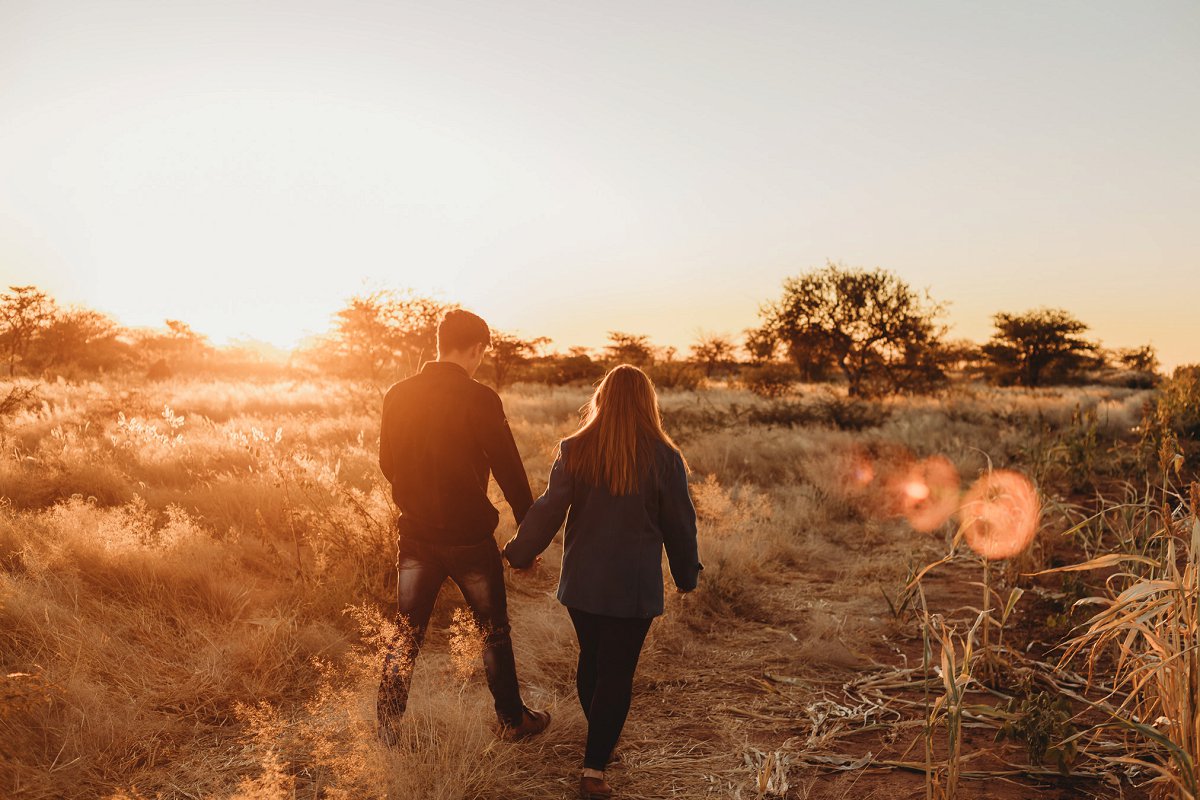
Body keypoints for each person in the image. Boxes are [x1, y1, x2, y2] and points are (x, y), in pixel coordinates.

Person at [503, 364, 702, 799]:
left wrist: (519, 552)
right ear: (648, 404)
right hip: (631, 586)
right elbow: (679, 525)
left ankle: (601, 741)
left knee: (593, 661)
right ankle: (594, 769)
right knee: (616, 672)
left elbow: (548, 509)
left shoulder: (576, 448)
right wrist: (686, 574)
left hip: (583, 583)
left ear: (602, 399)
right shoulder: (664, 457)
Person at [375, 309, 551, 745]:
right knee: (493, 631)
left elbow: (386, 463)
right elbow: (510, 472)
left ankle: (387, 727)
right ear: (475, 349)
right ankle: (512, 720)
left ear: (439, 342)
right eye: (480, 355)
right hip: (470, 538)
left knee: (406, 633)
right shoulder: (480, 398)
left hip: (415, 535)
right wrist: (528, 540)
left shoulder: (397, 393)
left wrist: (416, 496)